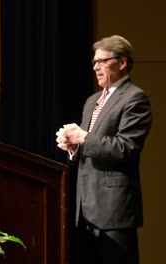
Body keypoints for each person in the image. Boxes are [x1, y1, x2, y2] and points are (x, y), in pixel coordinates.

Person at [55, 35, 152, 264]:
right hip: (85, 208)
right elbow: (89, 145)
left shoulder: (135, 98)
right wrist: (72, 146)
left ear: (122, 62)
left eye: (102, 61)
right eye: (94, 63)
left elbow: (126, 148)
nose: (95, 67)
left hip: (114, 210)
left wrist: (84, 138)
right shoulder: (92, 101)